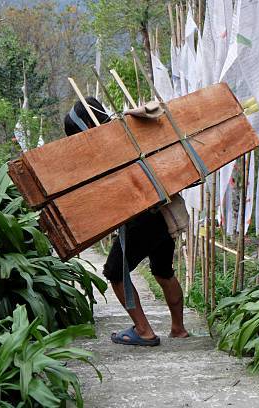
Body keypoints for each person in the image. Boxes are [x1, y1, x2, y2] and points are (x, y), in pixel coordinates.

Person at [63, 97, 189, 346]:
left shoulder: (111, 145)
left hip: (145, 218)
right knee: (163, 272)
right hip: (165, 214)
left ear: (88, 122)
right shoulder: (134, 131)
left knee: (114, 272)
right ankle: (178, 328)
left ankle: (143, 331)